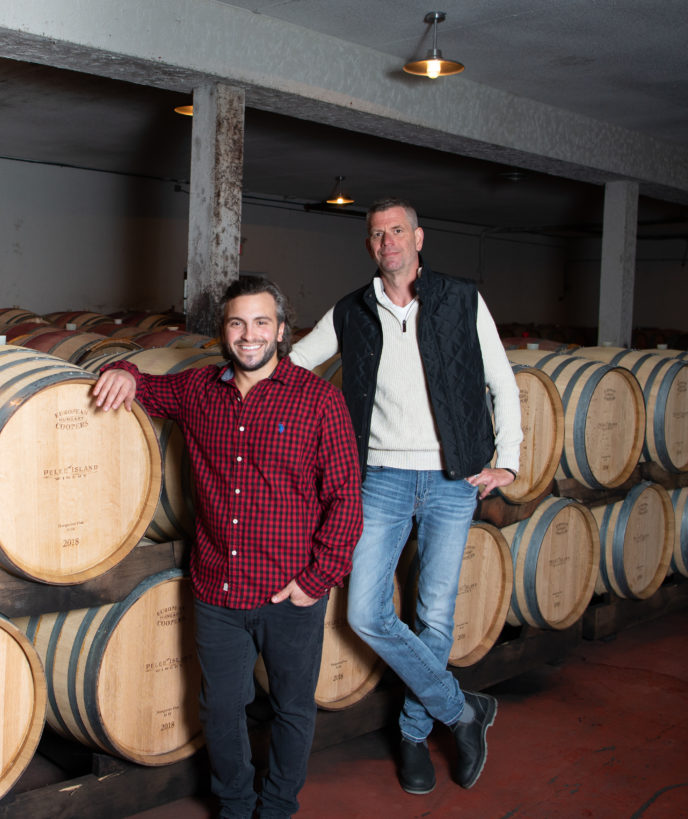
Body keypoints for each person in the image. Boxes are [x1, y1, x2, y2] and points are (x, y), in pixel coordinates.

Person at [93, 275, 363, 818]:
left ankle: (279, 804)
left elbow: (346, 499)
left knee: (291, 708)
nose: (249, 334)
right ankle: (236, 805)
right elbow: (142, 387)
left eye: (261, 322)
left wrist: (318, 578)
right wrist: (120, 369)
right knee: (220, 709)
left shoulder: (319, 401)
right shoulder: (197, 390)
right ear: (224, 330)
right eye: (238, 323)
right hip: (217, 588)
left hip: (290, 592)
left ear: (281, 331)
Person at [290, 198, 522, 795]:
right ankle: (462, 710)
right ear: (370, 246)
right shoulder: (352, 311)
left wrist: (509, 462)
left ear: (419, 238)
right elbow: (292, 365)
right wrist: (230, 373)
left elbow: (500, 380)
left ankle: (415, 735)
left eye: (398, 230)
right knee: (366, 612)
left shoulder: (461, 297)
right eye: (377, 234)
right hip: (382, 479)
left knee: (434, 616)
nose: (388, 241)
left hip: (454, 480)